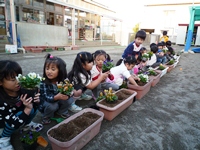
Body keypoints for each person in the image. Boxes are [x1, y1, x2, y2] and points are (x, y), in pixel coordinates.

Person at [0, 60, 42, 150]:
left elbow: (34, 106)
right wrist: (26, 109)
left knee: (33, 109)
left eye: (18, 77)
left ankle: (26, 124)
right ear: (0, 82)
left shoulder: (22, 90)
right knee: (25, 111)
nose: (18, 81)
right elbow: (11, 121)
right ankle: (4, 139)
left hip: (18, 117)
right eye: (13, 79)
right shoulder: (1, 100)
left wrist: (36, 101)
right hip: (4, 123)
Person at [39, 54, 81, 125]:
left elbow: (70, 90)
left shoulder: (64, 81)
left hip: (58, 99)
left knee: (70, 100)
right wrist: (55, 97)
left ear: (60, 71)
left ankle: (62, 111)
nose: (49, 71)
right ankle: (46, 116)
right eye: (47, 68)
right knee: (52, 106)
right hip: (48, 102)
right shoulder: (44, 82)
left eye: (53, 69)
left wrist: (70, 94)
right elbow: (46, 97)